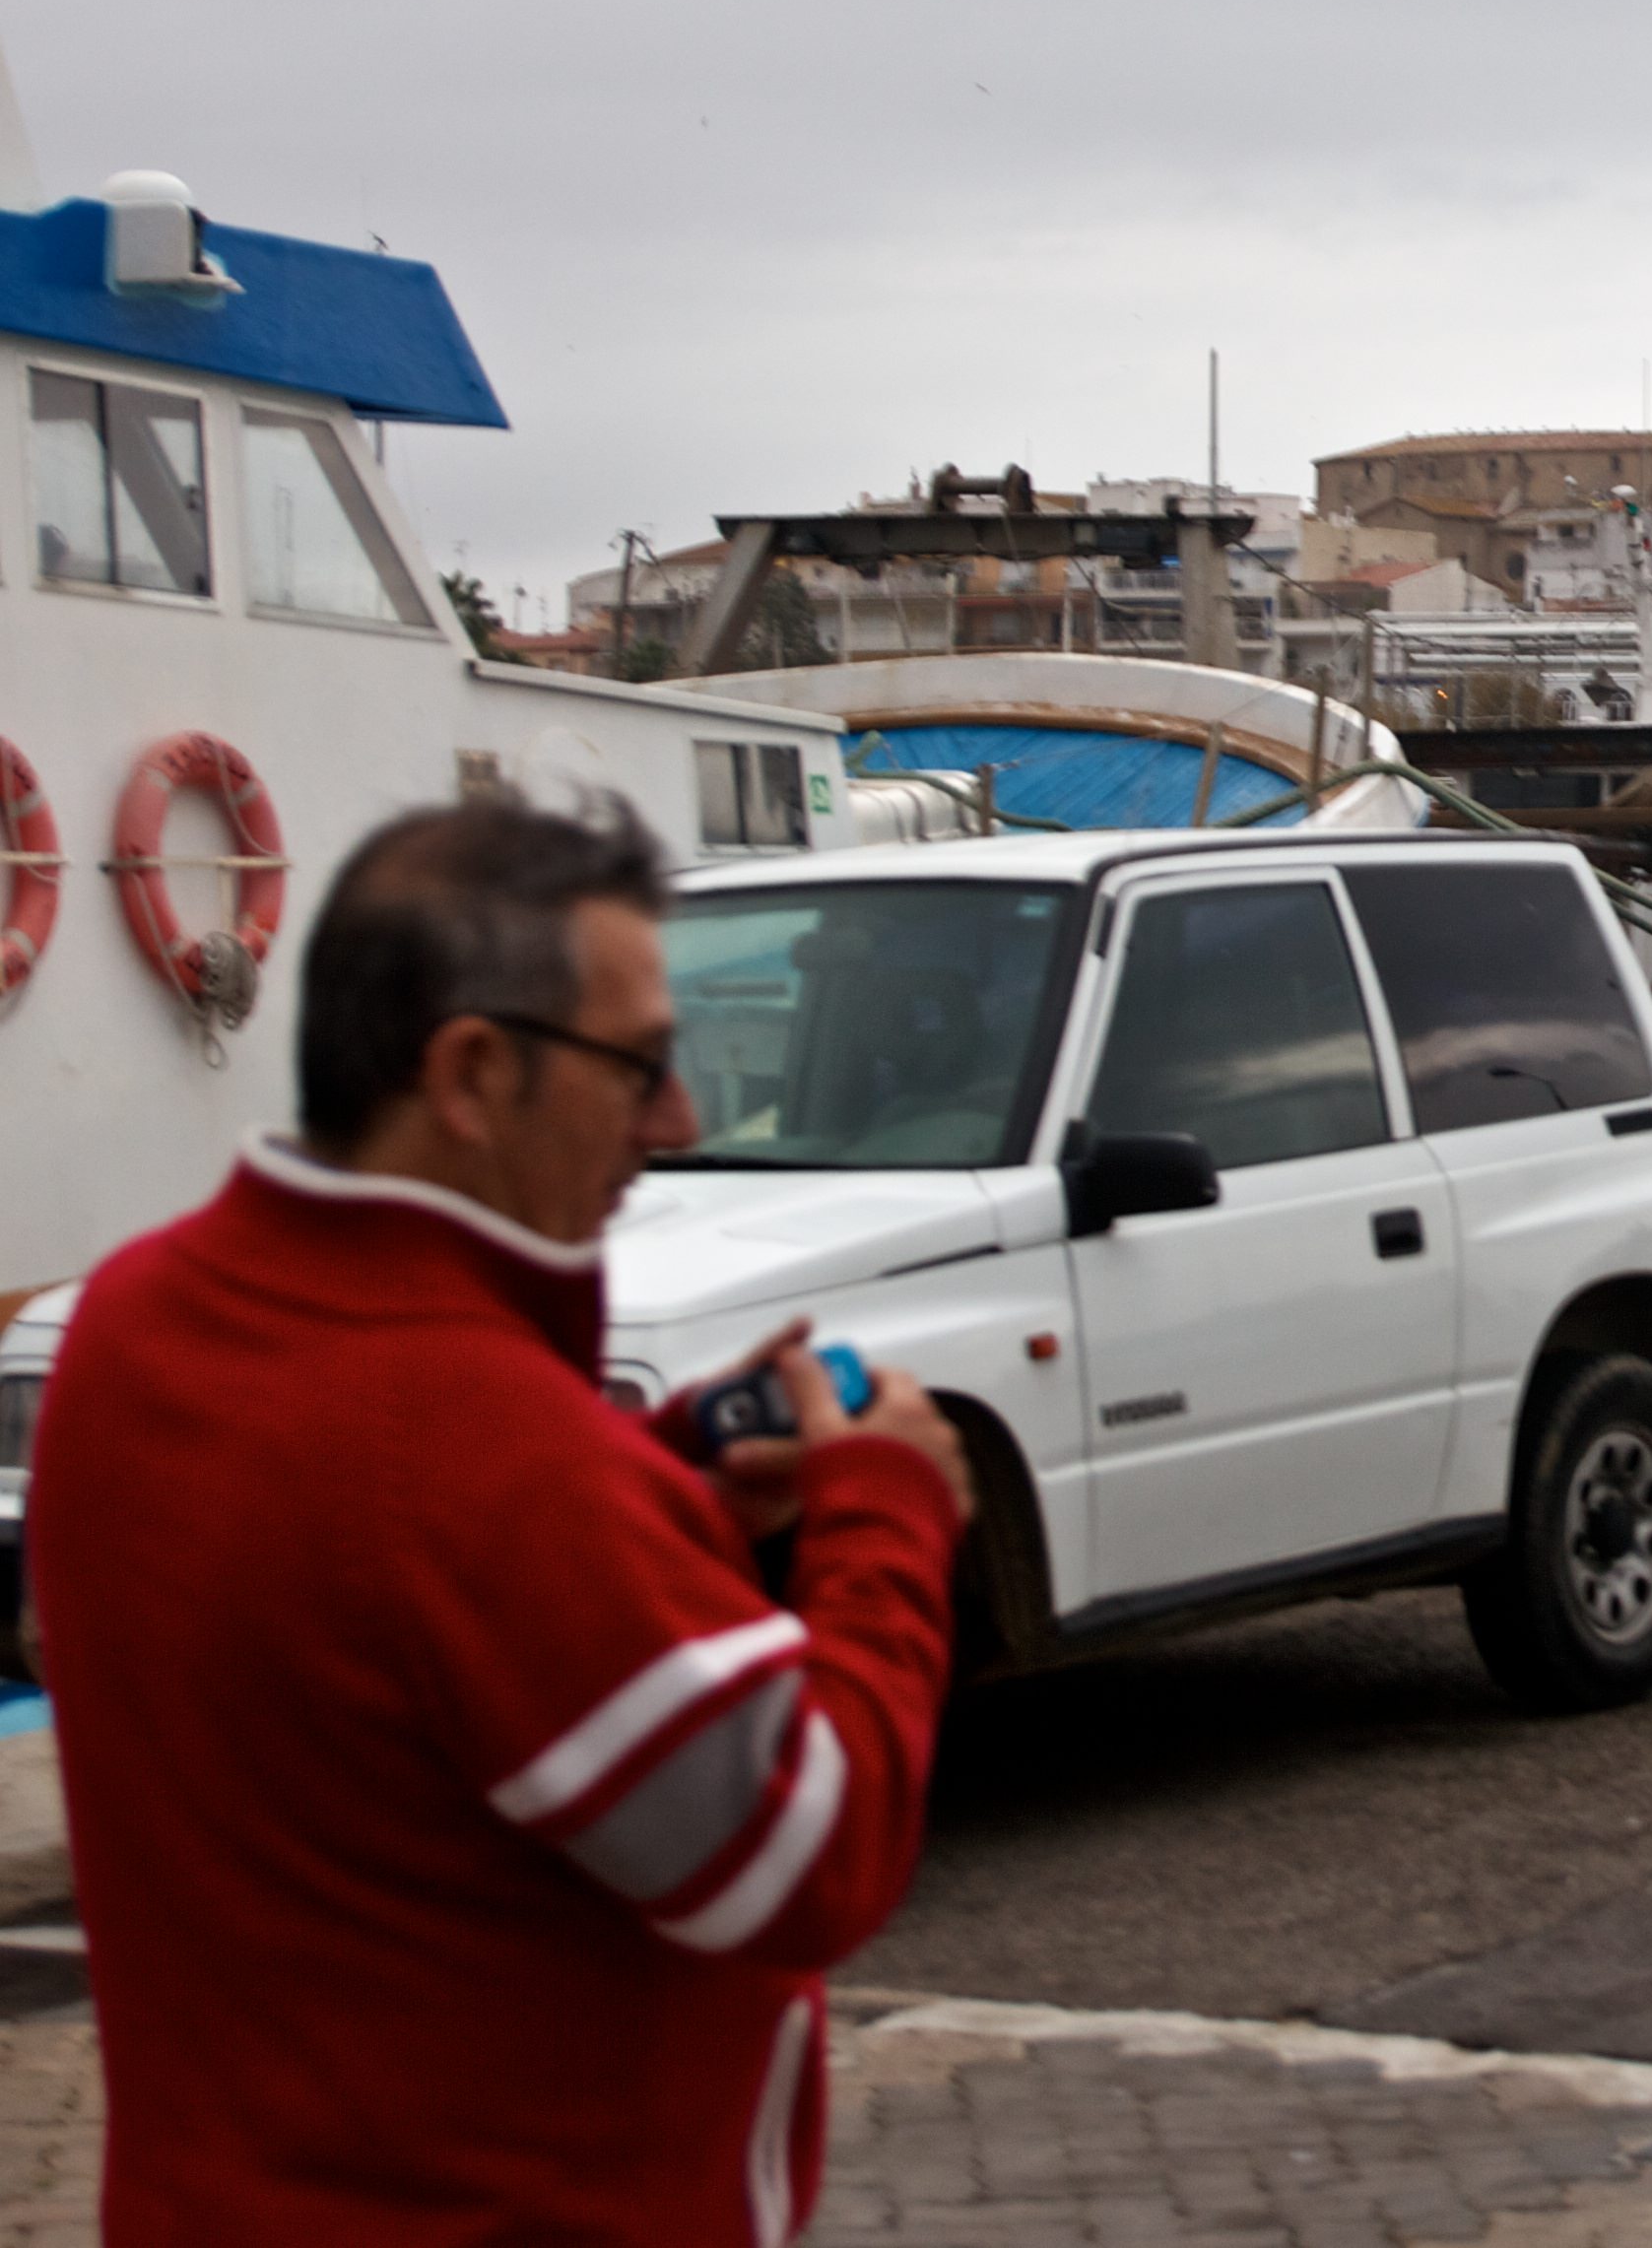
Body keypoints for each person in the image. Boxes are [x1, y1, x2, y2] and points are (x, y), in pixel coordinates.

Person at [32, 798, 975, 2246]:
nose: (679, 1122)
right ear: (471, 1072)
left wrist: (657, 1482)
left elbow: (362, 1602)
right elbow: (807, 1854)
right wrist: (886, 1514)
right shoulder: (480, 1449)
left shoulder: (135, 1320)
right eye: (640, 1065)